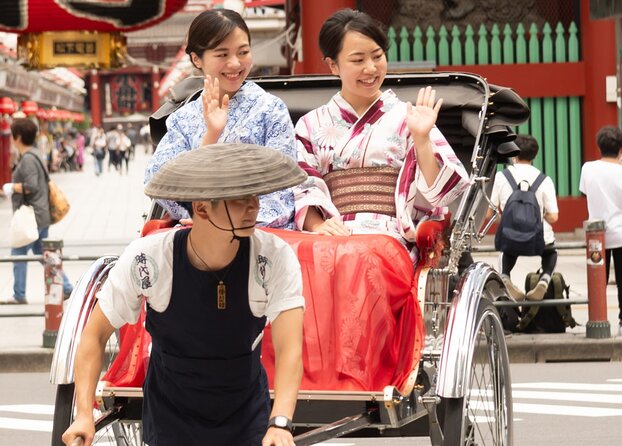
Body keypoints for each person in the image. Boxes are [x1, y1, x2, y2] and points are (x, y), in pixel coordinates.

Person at [61, 143, 307, 446]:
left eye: (255, 196)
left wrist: (281, 422)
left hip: (244, 413)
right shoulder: (149, 259)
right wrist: (84, 413)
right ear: (201, 208)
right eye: (240, 199)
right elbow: (94, 335)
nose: (254, 206)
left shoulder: (272, 257)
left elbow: (289, 348)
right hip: (170, 416)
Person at [292, 9, 469, 260]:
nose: (371, 68)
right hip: (334, 233)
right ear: (333, 65)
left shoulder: (408, 118)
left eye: (377, 56)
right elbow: (302, 186)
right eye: (358, 60)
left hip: (391, 236)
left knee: (369, 257)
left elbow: (442, 193)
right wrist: (317, 225)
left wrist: (421, 139)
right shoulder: (310, 125)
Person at [146, 8, 297, 229]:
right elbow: (159, 181)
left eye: (243, 52)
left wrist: (234, 221)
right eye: (222, 54)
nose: (235, 64)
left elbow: (284, 186)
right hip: (200, 229)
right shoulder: (183, 119)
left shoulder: (270, 110)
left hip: (260, 229)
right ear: (197, 59)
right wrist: (211, 135)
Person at [2, 118, 73, 304]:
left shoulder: (27, 159)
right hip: (39, 214)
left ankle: (19, 294)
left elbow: (31, 185)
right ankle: (66, 287)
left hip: (31, 216)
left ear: (17, 137)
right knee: (44, 253)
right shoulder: (35, 154)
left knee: (19, 252)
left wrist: (12, 187)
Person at [483, 134, 559, 301]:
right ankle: (545, 279)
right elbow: (553, 217)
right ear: (535, 155)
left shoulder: (502, 177)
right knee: (552, 252)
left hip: (510, 236)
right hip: (539, 239)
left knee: (506, 250)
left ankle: (505, 276)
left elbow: (489, 213)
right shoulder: (544, 180)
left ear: (513, 153)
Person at [579, 126, 622, 336]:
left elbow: (585, 193)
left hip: (596, 234)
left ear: (600, 147)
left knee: (597, 277)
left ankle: (597, 316)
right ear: (621, 149)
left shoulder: (588, 168)